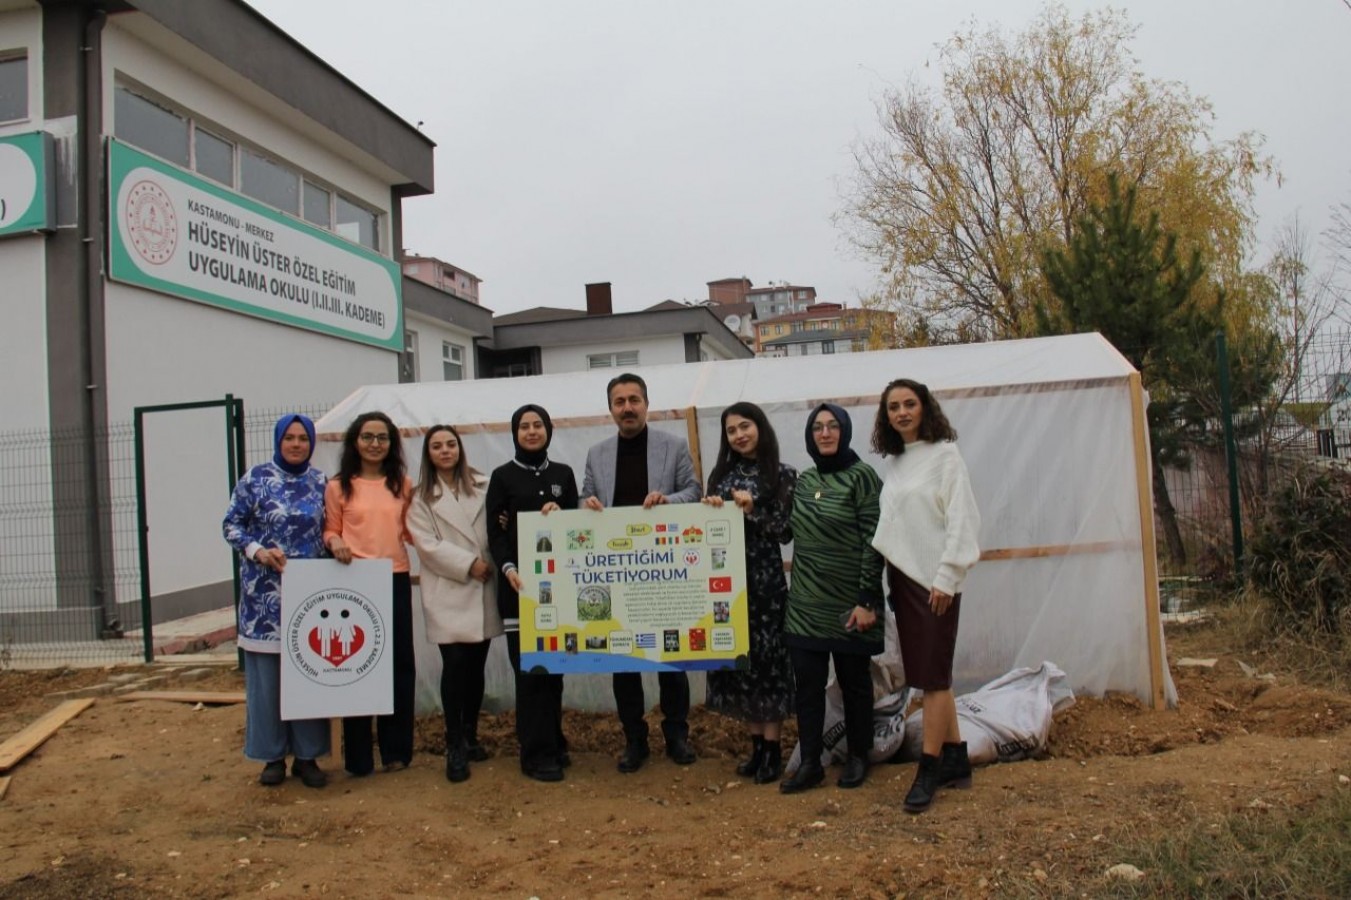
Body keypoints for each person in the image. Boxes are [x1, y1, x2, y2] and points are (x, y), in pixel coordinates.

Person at [870, 379, 981, 814]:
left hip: (936, 583)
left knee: (933, 680)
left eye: (909, 404)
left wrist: (948, 576)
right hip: (904, 581)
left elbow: (962, 518)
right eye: (893, 406)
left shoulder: (945, 456)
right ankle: (956, 759)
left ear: (924, 407)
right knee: (932, 675)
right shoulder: (897, 463)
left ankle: (929, 769)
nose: (902, 412)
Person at [581, 372, 702, 772]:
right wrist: (589, 504)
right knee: (624, 663)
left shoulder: (674, 446)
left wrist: (667, 499)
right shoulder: (597, 454)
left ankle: (677, 736)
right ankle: (634, 740)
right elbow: (585, 497)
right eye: (620, 401)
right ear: (611, 409)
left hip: (662, 572)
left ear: (646, 404)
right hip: (617, 573)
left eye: (634, 399)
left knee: (670, 659)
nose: (627, 407)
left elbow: (694, 492)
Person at [779, 403, 885, 794]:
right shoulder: (804, 481)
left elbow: (875, 541)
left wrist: (868, 600)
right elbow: (787, 531)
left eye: (832, 426)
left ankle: (859, 756)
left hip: (849, 603)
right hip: (805, 605)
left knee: (854, 682)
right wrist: (746, 506)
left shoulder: (863, 478)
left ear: (845, 431)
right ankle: (810, 763)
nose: (825, 433)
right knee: (806, 686)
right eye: (818, 427)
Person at [222, 414, 331, 789]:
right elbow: (231, 525)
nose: (297, 444)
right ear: (278, 440)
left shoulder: (321, 482)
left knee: (308, 673)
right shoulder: (255, 479)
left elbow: (331, 528)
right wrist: (256, 550)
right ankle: (271, 756)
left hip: (310, 595)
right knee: (268, 680)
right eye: (290, 438)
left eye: (303, 438)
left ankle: (307, 755)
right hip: (264, 597)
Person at [701, 402, 796, 784]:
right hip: (725, 581)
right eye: (731, 431)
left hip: (765, 582)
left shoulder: (783, 474)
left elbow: (785, 531)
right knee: (741, 662)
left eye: (745, 426)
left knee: (769, 663)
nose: (739, 435)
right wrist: (710, 510)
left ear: (760, 427)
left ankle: (774, 748)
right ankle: (756, 746)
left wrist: (752, 509)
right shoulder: (720, 475)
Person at [486, 404, 578, 782]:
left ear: (548, 430)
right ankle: (535, 754)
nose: (531, 431)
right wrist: (508, 568)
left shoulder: (563, 474)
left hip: (556, 593)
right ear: (515, 433)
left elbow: (577, 527)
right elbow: (496, 533)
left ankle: (553, 741)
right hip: (519, 592)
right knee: (529, 674)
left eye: (538, 424)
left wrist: (566, 512)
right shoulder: (502, 477)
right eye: (523, 426)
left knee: (553, 672)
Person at [407, 424, 502, 784]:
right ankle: (454, 744)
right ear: (428, 453)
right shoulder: (421, 498)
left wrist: (489, 562)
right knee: (455, 665)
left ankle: (471, 735)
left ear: (460, 449)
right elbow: (427, 545)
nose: (445, 451)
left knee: (476, 665)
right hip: (450, 588)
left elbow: (497, 522)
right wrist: (468, 564)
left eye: (450, 445)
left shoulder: (482, 483)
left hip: (483, 586)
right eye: (437, 446)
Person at [324, 411, 415, 777]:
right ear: (355, 442)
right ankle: (359, 757)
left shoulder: (403, 484)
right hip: (355, 582)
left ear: (391, 444)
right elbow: (330, 529)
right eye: (367, 437)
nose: (375, 444)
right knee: (357, 668)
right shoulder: (338, 487)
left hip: (394, 576)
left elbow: (414, 531)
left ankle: (397, 752)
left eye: (382, 438)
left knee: (398, 667)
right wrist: (335, 542)